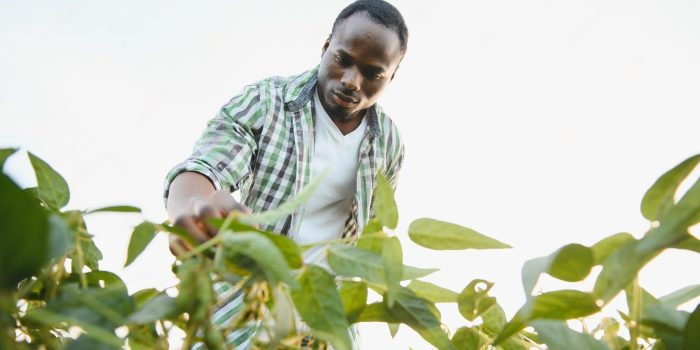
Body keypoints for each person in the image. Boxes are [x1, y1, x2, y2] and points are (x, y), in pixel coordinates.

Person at [164, 0, 408, 347]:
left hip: (323, 326)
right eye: (343, 60)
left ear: (391, 76)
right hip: (243, 314)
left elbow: (368, 238)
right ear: (326, 48)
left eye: (373, 74)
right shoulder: (267, 101)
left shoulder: (389, 144)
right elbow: (205, 166)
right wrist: (190, 207)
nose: (353, 81)